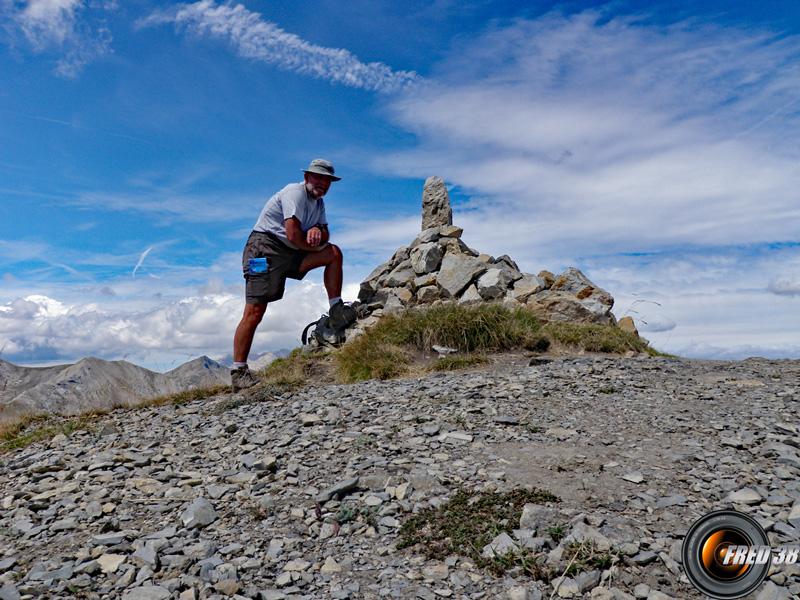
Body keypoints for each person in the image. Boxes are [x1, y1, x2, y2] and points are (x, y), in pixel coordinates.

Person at [230, 158, 350, 391]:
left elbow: (325, 233)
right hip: (263, 250)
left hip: (291, 252)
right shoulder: (294, 193)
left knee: (333, 253)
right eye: (318, 178)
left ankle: (336, 309)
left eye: (327, 180)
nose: (323, 183)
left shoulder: (318, 203)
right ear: (307, 178)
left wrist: (317, 230)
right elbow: (294, 235)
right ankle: (238, 371)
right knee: (255, 310)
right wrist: (315, 240)